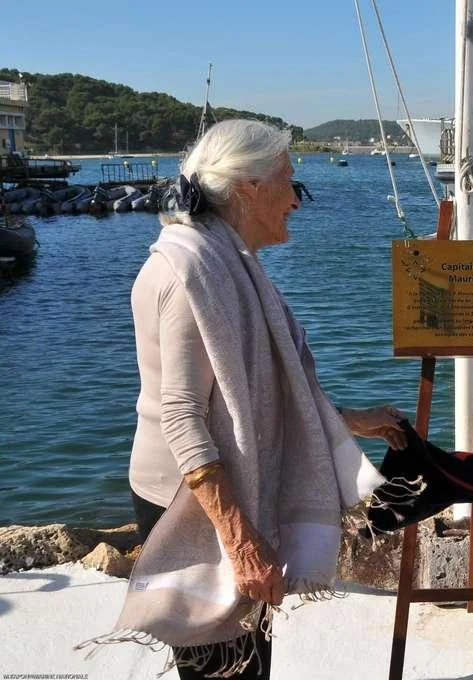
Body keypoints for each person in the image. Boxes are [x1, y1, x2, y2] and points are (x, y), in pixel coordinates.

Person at [112, 119, 406, 679]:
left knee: (248, 662)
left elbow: (257, 395)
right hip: (189, 501)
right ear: (248, 187)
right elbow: (183, 415)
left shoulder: (229, 262)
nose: (296, 200)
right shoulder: (189, 272)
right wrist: (241, 541)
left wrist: (346, 422)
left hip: (223, 484)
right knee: (221, 669)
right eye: (289, 181)